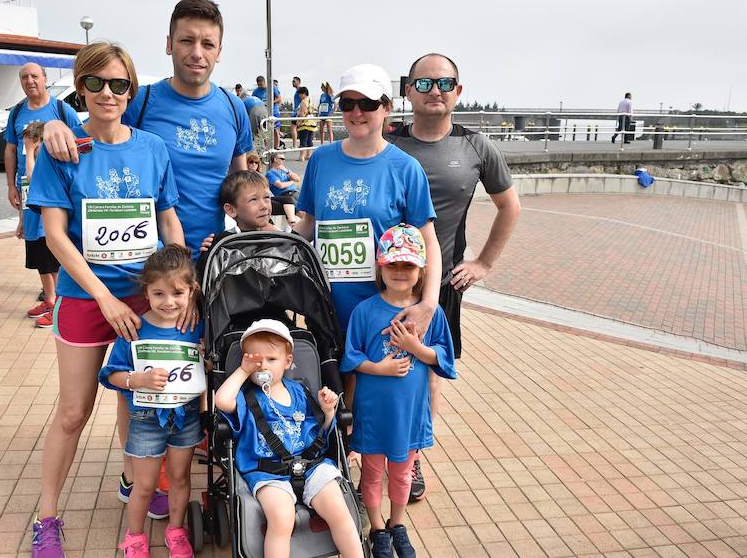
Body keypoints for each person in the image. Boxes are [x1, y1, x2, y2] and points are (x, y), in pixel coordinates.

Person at [26, 41, 184, 557]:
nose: (108, 94)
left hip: (143, 298)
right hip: (84, 300)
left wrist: (185, 287)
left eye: (119, 84)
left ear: (131, 89)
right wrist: (104, 298)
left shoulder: (153, 148)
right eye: (95, 83)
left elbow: (166, 219)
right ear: (80, 87)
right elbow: (55, 237)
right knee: (73, 412)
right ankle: (46, 517)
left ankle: (130, 478)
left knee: (134, 397)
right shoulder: (62, 148)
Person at [387, 52, 520, 501]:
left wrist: (482, 263)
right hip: (380, 281)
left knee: (425, 371)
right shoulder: (387, 142)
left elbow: (510, 206)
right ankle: (365, 448)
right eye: (424, 84)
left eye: (444, 84)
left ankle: (412, 455)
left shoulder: (476, 146)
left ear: (458, 91)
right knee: (367, 362)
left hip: (437, 284)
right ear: (408, 90)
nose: (435, 92)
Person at [40, 0, 252, 261]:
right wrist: (54, 124)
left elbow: (243, 185)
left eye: (208, 44)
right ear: (169, 44)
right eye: (187, 40)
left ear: (219, 51)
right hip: (149, 268)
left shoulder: (234, 107)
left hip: (216, 258)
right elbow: (95, 131)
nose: (197, 53)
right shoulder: (140, 101)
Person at [293, 63, 441, 339]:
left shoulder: (406, 168)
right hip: (325, 311)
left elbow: (428, 241)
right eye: (348, 103)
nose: (357, 112)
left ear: (387, 108)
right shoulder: (320, 160)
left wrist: (428, 305)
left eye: (369, 103)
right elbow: (309, 225)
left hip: (386, 316)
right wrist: (272, 243)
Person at [341, 224, 456, 558]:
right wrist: (380, 368)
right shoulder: (365, 311)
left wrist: (413, 347)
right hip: (375, 413)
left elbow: (444, 361)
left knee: (403, 474)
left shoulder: (429, 314)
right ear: (381, 265)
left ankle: (397, 523)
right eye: (393, 264)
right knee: (373, 472)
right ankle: (377, 528)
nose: (400, 272)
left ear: (421, 270)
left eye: (408, 265)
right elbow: (352, 357)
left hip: (409, 415)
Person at [215, 319, 363, 558]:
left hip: (311, 465)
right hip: (267, 472)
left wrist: (328, 412)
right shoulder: (245, 396)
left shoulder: (300, 391)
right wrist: (242, 371)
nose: (263, 366)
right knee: (282, 518)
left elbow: (320, 435)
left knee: (339, 509)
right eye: (255, 360)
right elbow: (222, 402)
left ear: (288, 362)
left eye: (271, 359)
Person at [99, 246, 204, 558]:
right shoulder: (135, 328)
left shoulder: (195, 327)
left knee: (180, 479)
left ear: (191, 291)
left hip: (185, 417)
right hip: (145, 419)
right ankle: (134, 537)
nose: (168, 302)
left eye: (177, 293)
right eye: (158, 294)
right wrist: (137, 380)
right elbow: (110, 375)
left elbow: (208, 365)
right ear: (145, 292)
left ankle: (176, 530)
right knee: (144, 486)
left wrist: (206, 364)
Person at [4, 63, 81, 322]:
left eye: (34, 76)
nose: (30, 81)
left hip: (56, 192)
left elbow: (80, 142)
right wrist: (10, 186)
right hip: (27, 190)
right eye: (24, 77)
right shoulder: (16, 113)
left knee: (54, 244)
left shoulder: (61, 110)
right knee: (34, 244)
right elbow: (11, 150)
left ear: (45, 79)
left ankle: (61, 303)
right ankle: (50, 300)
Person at [19, 121, 61, 328]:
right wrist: (21, 222)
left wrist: (29, 153)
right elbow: (24, 195)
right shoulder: (27, 164)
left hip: (47, 228)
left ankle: (60, 307)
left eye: (31, 143)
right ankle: (50, 300)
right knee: (41, 267)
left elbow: (33, 180)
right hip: (32, 226)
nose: (27, 147)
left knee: (53, 267)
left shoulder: (45, 165)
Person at [265, 152, 300, 225]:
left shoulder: (286, 170)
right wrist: (291, 182)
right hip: (285, 194)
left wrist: (287, 172)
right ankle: (294, 224)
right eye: (282, 159)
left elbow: (297, 179)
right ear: (275, 159)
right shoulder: (271, 173)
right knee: (298, 208)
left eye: (284, 159)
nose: (284, 161)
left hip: (295, 193)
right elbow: (280, 185)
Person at [253, 75, 282, 148]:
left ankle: (277, 147)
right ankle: (266, 147)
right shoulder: (256, 91)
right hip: (264, 113)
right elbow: (253, 100)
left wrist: (270, 102)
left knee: (276, 130)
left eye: (261, 84)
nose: (260, 86)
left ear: (264, 82)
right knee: (265, 130)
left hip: (274, 111)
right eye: (259, 85)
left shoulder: (273, 88)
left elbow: (279, 99)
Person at [295, 86, 317, 161]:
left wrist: (299, 121)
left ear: (304, 94)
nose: (299, 96)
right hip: (312, 122)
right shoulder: (310, 100)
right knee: (309, 140)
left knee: (303, 140)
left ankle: (301, 156)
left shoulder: (303, 101)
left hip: (305, 124)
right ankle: (309, 155)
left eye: (300, 94)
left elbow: (303, 113)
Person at [290, 76, 302, 148]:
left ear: (298, 81)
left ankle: (295, 145)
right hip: (296, 112)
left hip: (298, 112)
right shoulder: (297, 90)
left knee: (293, 128)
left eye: (294, 81)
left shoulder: (300, 90)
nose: (293, 83)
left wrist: (299, 112)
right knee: (295, 128)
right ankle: (297, 144)